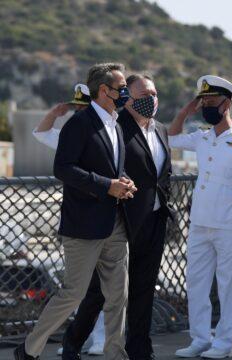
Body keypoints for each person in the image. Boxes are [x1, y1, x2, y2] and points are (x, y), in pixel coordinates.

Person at [15, 63, 135, 360]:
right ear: (104, 90)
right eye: (121, 87)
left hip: (115, 223)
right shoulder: (79, 124)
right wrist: (107, 185)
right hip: (84, 226)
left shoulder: (116, 124)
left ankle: (115, 354)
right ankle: (30, 349)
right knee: (73, 294)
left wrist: (124, 181)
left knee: (118, 295)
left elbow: (111, 167)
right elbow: (63, 168)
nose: (126, 93)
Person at [61, 74, 173, 360]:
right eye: (144, 94)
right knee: (100, 292)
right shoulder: (117, 127)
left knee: (144, 290)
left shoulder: (160, 129)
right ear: (129, 99)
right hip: (122, 223)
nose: (152, 99)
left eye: (155, 93)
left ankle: (139, 350)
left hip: (154, 221)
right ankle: (72, 342)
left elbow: (163, 174)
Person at [169, 75, 232, 359]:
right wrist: (187, 111)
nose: (208, 106)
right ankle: (199, 338)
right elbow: (171, 137)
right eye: (204, 101)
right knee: (195, 283)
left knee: (229, 286)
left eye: (212, 101)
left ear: (227, 103)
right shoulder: (202, 137)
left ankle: (224, 344)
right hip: (200, 222)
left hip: (229, 224)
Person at [31, 83, 106, 358]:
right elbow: (40, 133)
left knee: (104, 286)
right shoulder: (71, 135)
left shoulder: (108, 133)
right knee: (79, 286)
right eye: (75, 108)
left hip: (104, 216)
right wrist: (55, 113)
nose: (78, 113)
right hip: (79, 218)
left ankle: (100, 339)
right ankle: (77, 339)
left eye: (81, 108)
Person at [33, 83, 91, 148]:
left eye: (84, 107)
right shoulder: (73, 136)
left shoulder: (102, 134)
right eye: (77, 107)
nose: (79, 113)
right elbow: (42, 133)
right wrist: (53, 114)